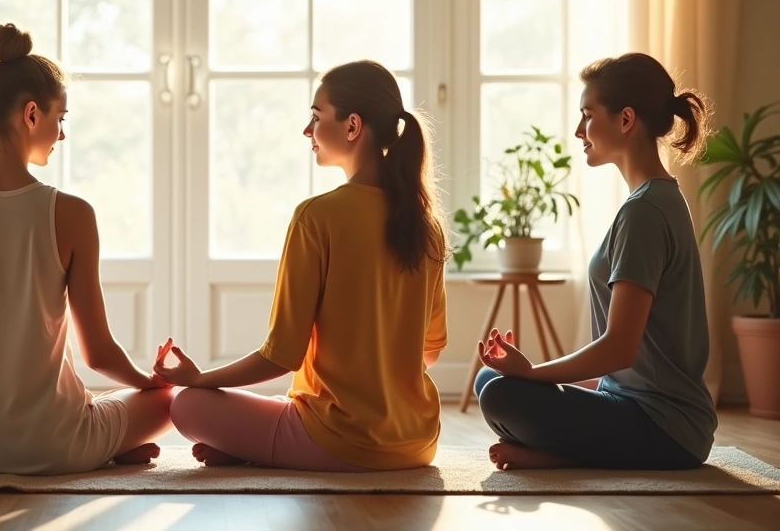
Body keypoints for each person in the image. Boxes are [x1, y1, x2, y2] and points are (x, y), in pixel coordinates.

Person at [154, 60, 449, 471]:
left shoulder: (316, 217)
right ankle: (260, 446)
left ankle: (261, 450)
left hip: (340, 444)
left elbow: (281, 357)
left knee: (187, 404)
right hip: (418, 443)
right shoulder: (427, 226)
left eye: (315, 117)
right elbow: (428, 353)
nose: (307, 131)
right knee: (283, 407)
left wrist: (200, 379)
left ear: (352, 127)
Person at [0, 23, 173, 475]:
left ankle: (105, 441)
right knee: (169, 402)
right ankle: (109, 445)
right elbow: (99, 354)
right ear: (32, 114)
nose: (62, 135)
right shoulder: (72, 214)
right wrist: (152, 383)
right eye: (61, 119)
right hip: (56, 447)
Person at [474, 52, 717, 471]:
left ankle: (557, 458)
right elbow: (630, 365)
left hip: (666, 430)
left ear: (625, 120)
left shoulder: (645, 212)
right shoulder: (652, 201)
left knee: (501, 394)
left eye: (587, 115)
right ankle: (559, 453)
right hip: (633, 407)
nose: (577, 130)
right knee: (490, 382)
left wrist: (532, 374)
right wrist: (528, 373)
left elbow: (620, 348)